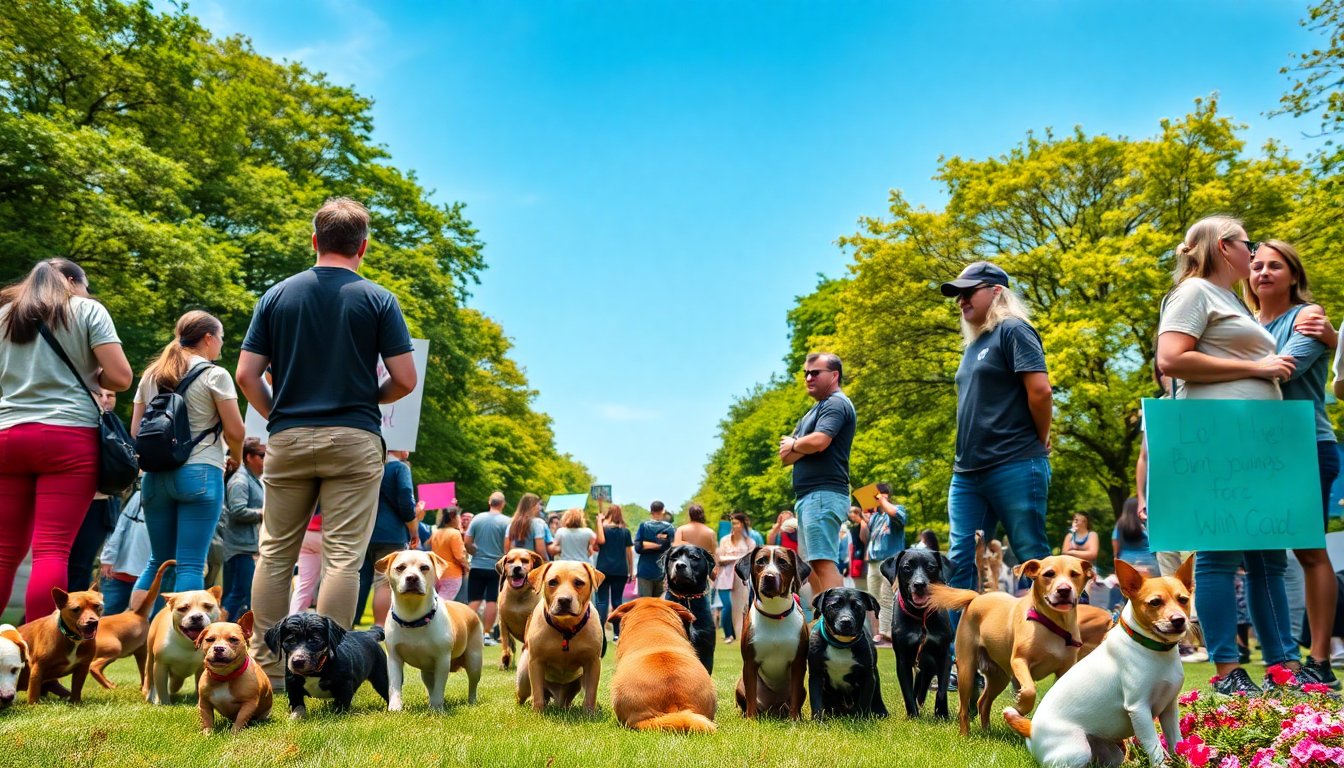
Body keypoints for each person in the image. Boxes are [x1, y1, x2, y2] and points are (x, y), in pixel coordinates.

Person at [237, 197, 418, 685]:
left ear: (314, 240)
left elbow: (246, 374)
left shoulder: (275, 296)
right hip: (355, 436)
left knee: (275, 553)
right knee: (343, 557)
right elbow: (404, 379)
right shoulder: (378, 299)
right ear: (363, 246)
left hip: (289, 436)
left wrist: (280, 415)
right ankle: (328, 671)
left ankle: (270, 673)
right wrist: (368, 403)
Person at [1156, 215, 1298, 696]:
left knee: (1268, 559)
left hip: (1257, 443)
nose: (1252, 252)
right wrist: (1256, 366)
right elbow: (1172, 358)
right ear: (1224, 246)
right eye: (1247, 244)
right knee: (1218, 556)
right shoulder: (1194, 292)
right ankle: (1228, 672)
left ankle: (1282, 670)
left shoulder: (1230, 299)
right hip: (1218, 440)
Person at [0, 258, 132, 620]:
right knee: (52, 550)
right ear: (74, 282)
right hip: (67, 436)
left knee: (3, 553)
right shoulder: (87, 310)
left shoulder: (5, 314)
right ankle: (40, 663)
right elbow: (120, 378)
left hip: (7, 436)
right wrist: (90, 366)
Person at [1247, 239, 1340, 689]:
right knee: (1261, 557)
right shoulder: (1239, 322)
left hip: (1305, 443)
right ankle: (1280, 661)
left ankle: (1319, 659)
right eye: (1256, 265)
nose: (1263, 272)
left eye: (1275, 266)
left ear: (1293, 275)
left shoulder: (1308, 315)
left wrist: (1213, 366)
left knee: (1308, 549)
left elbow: (1286, 369)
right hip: (1253, 451)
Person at [939, 262, 1052, 623]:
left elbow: (1040, 391)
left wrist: (1041, 438)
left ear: (996, 292)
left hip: (1015, 462)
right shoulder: (973, 346)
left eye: (968, 292)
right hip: (967, 473)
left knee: (1033, 555)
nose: (961, 301)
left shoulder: (1013, 330)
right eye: (958, 295)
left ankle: (1057, 644)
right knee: (959, 562)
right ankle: (960, 655)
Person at [131, 310, 244, 608]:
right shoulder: (214, 374)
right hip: (201, 472)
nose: (221, 345)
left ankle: (137, 632)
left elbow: (135, 431)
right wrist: (237, 457)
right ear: (208, 338)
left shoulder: (152, 375)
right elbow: (235, 430)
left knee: (157, 561)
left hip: (155, 477)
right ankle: (183, 643)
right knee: (190, 564)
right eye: (220, 338)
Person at [778, 351, 856, 595]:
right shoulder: (813, 412)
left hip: (823, 494)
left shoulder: (836, 403)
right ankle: (826, 624)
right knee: (811, 567)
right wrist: (801, 445)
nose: (809, 377)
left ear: (834, 375)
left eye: (815, 372)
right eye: (806, 373)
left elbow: (821, 441)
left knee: (822, 563)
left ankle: (841, 624)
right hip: (809, 497)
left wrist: (798, 443)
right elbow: (785, 456)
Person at [67, 387, 123, 591]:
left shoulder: (115, 427)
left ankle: (72, 615)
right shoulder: (77, 423)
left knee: (82, 564)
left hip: (102, 502)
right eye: (101, 395)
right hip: (73, 501)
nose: (106, 400)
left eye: (111, 395)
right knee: (63, 560)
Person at [357, 450, 419, 626]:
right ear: (401, 448)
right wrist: (413, 529)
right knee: (384, 582)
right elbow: (406, 498)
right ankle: (379, 626)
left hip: (363, 531)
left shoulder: (365, 466)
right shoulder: (399, 468)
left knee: (358, 580)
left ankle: (349, 623)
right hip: (391, 533)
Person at [220, 437, 265, 620]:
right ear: (249, 457)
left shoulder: (251, 480)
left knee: (239, 594)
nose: (266, 460)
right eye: (262, 455)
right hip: (238, 549)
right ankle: (225, 631)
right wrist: (263, 514)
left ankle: (227, 631)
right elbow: (237, 511)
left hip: (244, 547)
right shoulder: (240, 481)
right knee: (239, 595)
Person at [863, 483, 907, 647]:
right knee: (873, 599)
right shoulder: (875, 517)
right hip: (874, 562)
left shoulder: (897, 509)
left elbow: (894, 513)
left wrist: (881, 499)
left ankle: (886, 635)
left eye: (879, 494)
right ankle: (877, 634)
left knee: (887, 598)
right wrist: (863, 518)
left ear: (886, 494)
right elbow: (865, 537)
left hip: (891, 561)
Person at [464, 491, 510, 646]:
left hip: (476, 565)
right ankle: (486, 634)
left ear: (489, 502)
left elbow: (467, 542)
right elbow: (507, 546)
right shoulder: (506, 521)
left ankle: (464, 628)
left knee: (475, 600)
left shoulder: (477, 518)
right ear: (502, 504)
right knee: (492, 600)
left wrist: (475, 552)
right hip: (495, 567)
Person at [98, 488, 149, 615]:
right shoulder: (140, 496)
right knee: (107, 616)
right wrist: (108, 559)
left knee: (146, 621)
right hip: (121, 573)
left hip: (151, 578)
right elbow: (119, 528)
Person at [593, 505, 634, 639]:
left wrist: (599, 521)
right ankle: (617, 632)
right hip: (620, 570)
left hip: (603, 569)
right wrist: (631, 570)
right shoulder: (625, 532)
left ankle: (600, 630)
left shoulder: (603, 530)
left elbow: (599, 541)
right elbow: (629, 553)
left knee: (602, 601)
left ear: (608, 514)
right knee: (617, 601)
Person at [715, 512, 754, 643]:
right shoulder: (725, 540)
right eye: (733, 523)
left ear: (743, 524)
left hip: (741, 578)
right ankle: (728, 634)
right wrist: (734, 558)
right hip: (725, 577)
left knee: (741, 606)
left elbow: (750, 561)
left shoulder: (749, 541)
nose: (734, 525)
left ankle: (741, 632)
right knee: (727, 605)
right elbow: (719, 558)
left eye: (736, 523)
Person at [633, 501, 675, 597]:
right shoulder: (669, 528)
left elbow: (638, 548)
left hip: (644, 571)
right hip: (662, 571)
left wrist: (646, 544)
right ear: (663, 510)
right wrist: (660, 546)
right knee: (658, 606)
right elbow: (668, 548)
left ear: (651, 511)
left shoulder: (643, 526)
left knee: (645, 605)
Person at [428, 506, 468, 603]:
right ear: (453, 517)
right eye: (458, 516)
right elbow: (460, 556)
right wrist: (467, 566)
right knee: (442, 603)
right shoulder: (454, 533)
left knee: (436, 600)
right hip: (451, 574)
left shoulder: (436, 533)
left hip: (436, 573)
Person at [1112, 497, 1158, 576]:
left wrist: (1116, 558)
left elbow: (1115, 541)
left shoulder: (1120, 524)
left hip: (1126, 562)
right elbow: (1154, 542)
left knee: (1129, 588)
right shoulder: (1146, 523)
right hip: (1148, 562)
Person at [288, 509, 322, 614]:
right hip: (325, 531)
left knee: (304, 584)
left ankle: (293, 621)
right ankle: (327, 623)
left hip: (305, 532)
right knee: (333, 579)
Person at [507, 493, 548, 562]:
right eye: (538, 504)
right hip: (531, 565)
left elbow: (507, 548)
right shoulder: (537, 523)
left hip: (515, 564)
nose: (540, 507)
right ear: (533, 506)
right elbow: (540, 551)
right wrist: (547, 562)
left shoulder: (511, 524)